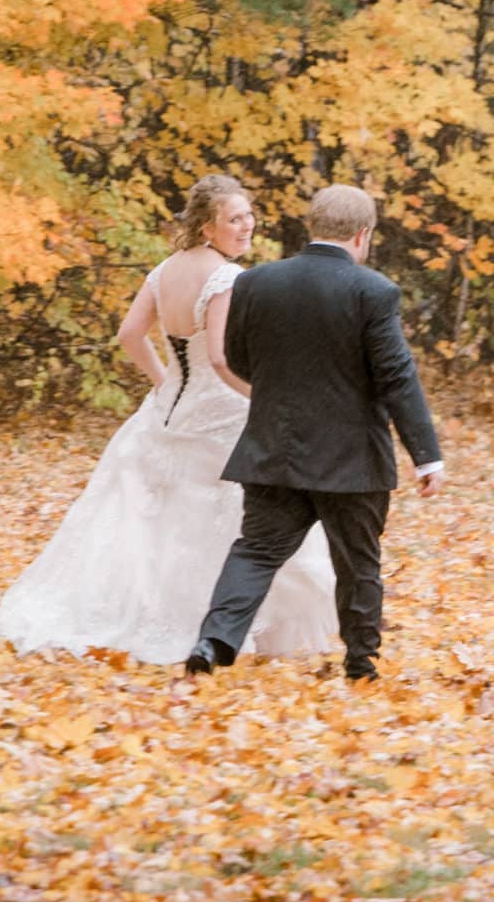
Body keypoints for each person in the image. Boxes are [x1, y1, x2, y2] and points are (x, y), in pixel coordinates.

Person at [0, 176, 340, 664]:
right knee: (249, 518)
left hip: (168, 411)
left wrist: (162, 382)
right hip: (219, 413)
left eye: (249, 214)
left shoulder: (164, 271)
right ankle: (229, 627)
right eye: (234, 218)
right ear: (207, 225)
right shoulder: (226, 278)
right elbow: (219, 358)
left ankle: (179, 618)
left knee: (159, 522)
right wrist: (262, 399)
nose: (247, 225)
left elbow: (131, 334)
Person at [187, 184, 444, 683]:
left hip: (274, 448)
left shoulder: (257, 282)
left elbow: (239, 360)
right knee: (357, 564)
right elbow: (396, 376)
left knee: (256, 551)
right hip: (352, 461)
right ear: (362, 234)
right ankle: (361, 663)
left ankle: (213, 640)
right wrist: (426, 456)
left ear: (314, 228)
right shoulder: (373, 291)